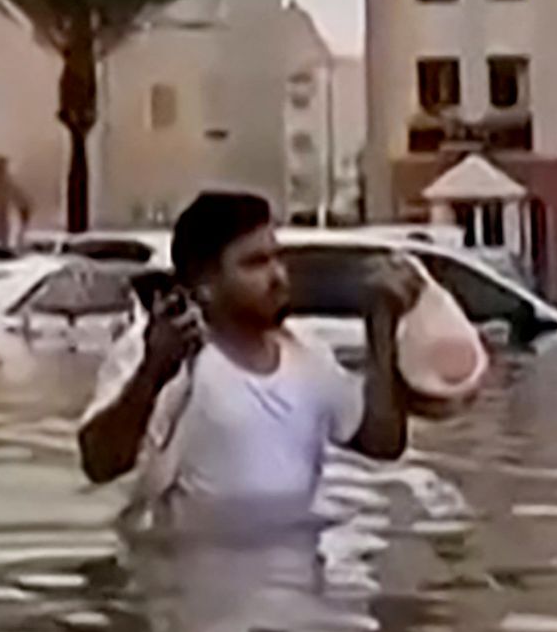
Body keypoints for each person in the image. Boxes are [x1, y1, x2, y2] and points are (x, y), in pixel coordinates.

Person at [77, 190, 421, 531]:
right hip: (184, 580)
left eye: (277, 258)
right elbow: (99, 464)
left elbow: (383, 444)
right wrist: (152, 372)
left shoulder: (308, 356)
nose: (278, 276)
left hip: (294, 578)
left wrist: (381, 325)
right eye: (255, 263)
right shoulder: (160, 351)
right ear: (205, 283)